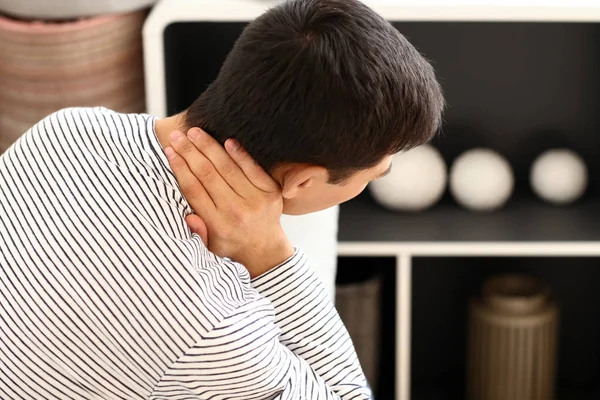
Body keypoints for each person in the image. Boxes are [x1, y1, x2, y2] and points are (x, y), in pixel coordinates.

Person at [0, 0, 444, 399]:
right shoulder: (213, 326)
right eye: (377, 172)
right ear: (302, 181)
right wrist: (270, 255)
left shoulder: (65, 129)